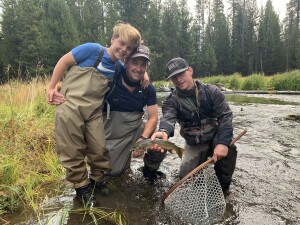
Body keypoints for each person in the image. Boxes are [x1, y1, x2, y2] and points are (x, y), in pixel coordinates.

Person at [46, 22, 142, 207]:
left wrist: (144, 76)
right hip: (69, 106)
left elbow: (132, 73)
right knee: (72, 149)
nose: (124, 50)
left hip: (94, 112)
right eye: (121, 43)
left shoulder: (119, 67)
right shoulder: (93, 50)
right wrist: (51, 87)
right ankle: (82, 187)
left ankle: (98, 181)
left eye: (129, 48)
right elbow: (64, 62)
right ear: (112, 39)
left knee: (99, 148)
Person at [151, 57, 237, 194]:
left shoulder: (212, 92)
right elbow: (168, 118)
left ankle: (223, 189)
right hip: (194, 143)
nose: (178, 79)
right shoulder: (171, 101)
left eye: (181, 74)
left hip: (215, 137)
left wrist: (223, 143)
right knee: (184, 180)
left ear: (190, 70)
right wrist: (163, 132)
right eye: (174, 77)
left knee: (230, 147)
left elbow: (225, 116)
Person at [103, 45, 166, 180]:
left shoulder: (148, 88)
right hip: (113, 137)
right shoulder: (111, 79)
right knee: (113, 176)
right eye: (135, 63)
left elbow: (153, 117)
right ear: (125, 62)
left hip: (136, 132)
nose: (138, 69)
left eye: (143, 65)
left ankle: (149, 171)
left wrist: (142, 140)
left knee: (159, 139)